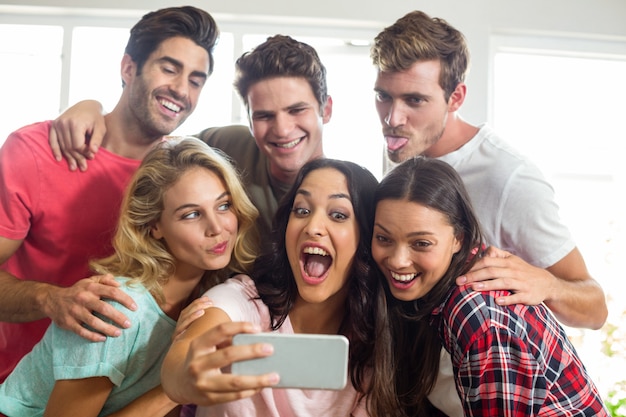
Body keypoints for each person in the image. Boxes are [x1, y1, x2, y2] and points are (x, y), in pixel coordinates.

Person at [370, 11, 607, 415]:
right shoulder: (402, 154)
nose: (393, 119)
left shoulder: (508, 177)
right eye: (383, 96)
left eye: (414, 100)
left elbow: (595, 307)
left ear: (456, 97)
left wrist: (547, 284)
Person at [0, 5, 219, 382]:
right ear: (128, 68)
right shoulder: (37, 150)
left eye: (196, 80)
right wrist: (50, 299)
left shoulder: (182, 177)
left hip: (121, 397)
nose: (182, 89)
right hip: (20, 390)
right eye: (169, 68)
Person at [0, 137, 260, 416]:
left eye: (223, 205)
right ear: (154, 226)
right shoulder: (118, 307)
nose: (216, 227)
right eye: (192, 214)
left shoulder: (204, 300)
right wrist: (178, 384)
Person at [368, 156, 609, 417]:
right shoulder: (455, 278)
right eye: (383, 238)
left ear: (458, 238)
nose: (398, 260)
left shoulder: (479, 315)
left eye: (421, 243)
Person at [161, 158, 384, 416]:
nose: (312, 227)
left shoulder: (375, 349)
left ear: (367, 238)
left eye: (338, 215)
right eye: (301, 210)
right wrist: (184, 377)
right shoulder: (243, 299)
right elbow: (181, 360)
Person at [49, 34, 332, 237]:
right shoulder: (227, 146)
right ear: (248, 118)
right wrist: (92, 109)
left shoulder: (350, 193)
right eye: (264, 116)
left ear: (326, 110)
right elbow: (150, 144)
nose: (282, 130)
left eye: (296, 110)